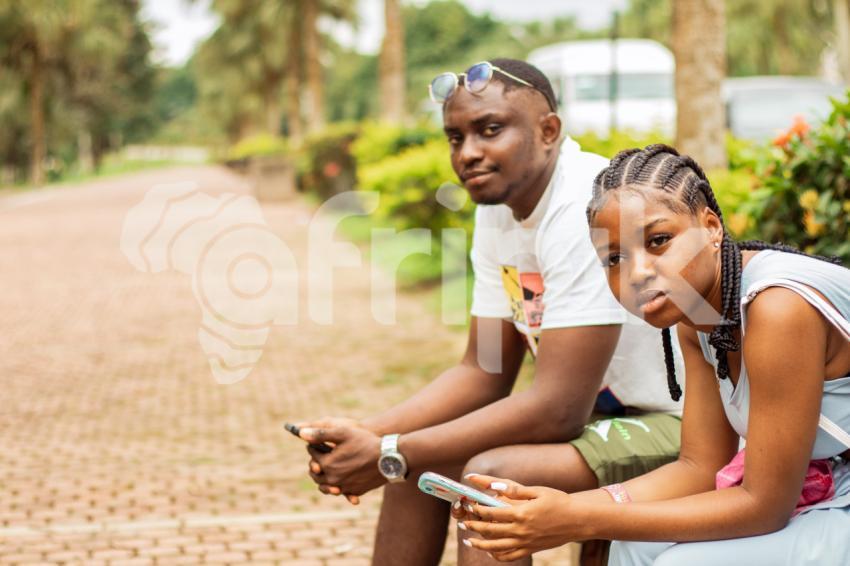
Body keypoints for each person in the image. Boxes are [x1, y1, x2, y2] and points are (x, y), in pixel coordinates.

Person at [296, 62, 683, 566]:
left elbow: (557, 409)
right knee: (416, 464)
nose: (468, 153)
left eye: (491, 129)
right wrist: (373, 437)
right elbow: (483, 370)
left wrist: (392, 449)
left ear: (548, 130)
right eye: (455, 137)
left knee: (488, 476)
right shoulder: (498, 209)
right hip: (605, 412)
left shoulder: (588, 203)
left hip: (680, 419)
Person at [455, 144, 850, 565]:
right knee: (632, 546)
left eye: (659, 241)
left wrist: (579, 518)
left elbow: (763, 507)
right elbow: (699, 467)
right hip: (831, 489)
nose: (637, 272)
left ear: (711, 226)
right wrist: (554, 507)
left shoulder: (778, 307)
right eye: (615, 258)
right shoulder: (696, 318)